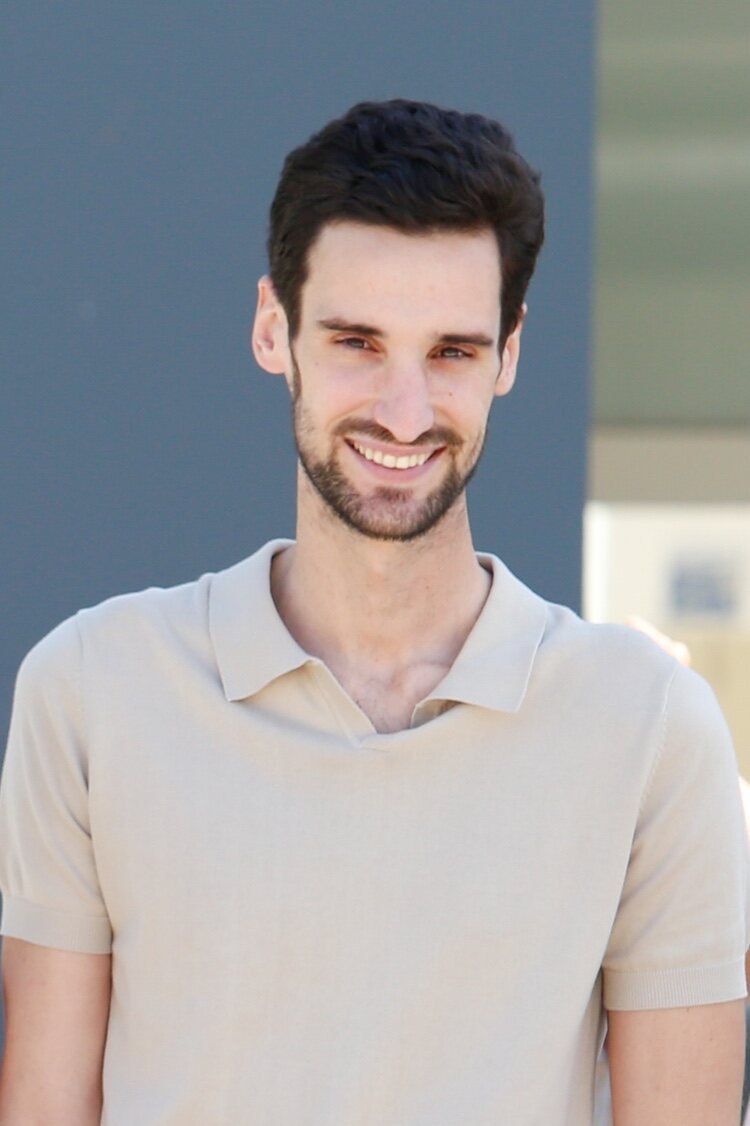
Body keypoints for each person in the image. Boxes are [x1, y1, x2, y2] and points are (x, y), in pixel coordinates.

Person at [0, 99, 746, 1125]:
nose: (404, 412)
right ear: (275, 328)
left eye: (451, 353)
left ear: (510, 354)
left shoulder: (651, 729)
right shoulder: (90, 693)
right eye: (357, 342)